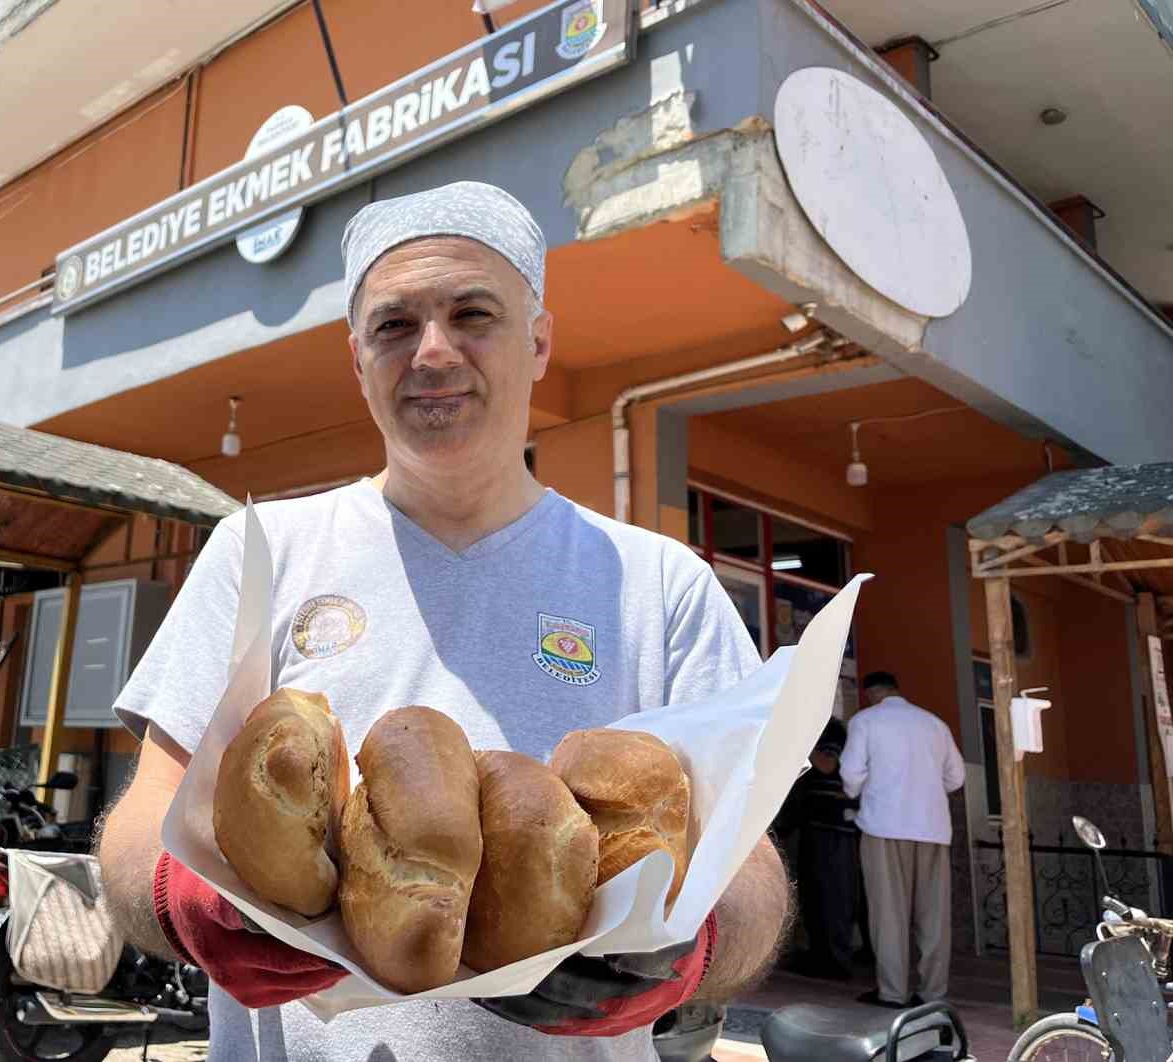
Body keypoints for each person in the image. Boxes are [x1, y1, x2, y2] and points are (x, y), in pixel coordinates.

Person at [96, 180, 793, 1062]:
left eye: (473, 314)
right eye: (394, 325)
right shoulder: (260, 552)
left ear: (538, 342)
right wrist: (174, 900)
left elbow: (753, 867)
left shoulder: (659, 584)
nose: (432, 353)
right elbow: (141, 816)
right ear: (357, 359)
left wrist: (697, 951)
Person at [840, 671, 966, 1008]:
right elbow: (956, 778)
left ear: (869, 694)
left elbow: (850, 775)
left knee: (888, 914)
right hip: (933, 830)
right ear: (896, 690)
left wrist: (859, 791)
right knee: (934, 917)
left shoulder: (865, 721)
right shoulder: (934, 724)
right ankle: (932, 993)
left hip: (884, 826)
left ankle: (892, 993)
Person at [774, 717, 861, 982]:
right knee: (816, 895)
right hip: (814, 824)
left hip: (831, 828)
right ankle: (820, 956)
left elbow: (826, 764)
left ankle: (835, 962)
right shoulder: (821, 727)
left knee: (832, 895)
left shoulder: (831, 730)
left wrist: (800, 743)